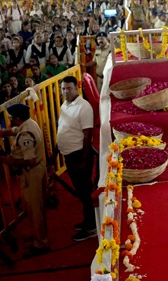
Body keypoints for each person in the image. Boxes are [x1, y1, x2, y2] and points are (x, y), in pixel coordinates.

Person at [0, 104, 49, 257]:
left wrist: (9, 160)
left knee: (35, 209)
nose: (10, 121)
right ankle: (39, 236)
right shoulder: (29, 124)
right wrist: (3, 133)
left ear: (17, 119)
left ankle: (41, 243)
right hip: (37, 171)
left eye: (11, 119)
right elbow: (15, 131)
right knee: (36, 207)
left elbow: (31, 160)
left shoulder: (25, 135)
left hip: (31, 173)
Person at [56, 75, 96, 242]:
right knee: (81, 191)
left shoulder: (84, 107)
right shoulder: (65, 104)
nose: (66, 91)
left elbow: (88, 134)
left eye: (69, 88)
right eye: (63, 89)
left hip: (79, 154)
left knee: (85, 192)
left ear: (77, 88)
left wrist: (84, 159)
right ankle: (87, 221)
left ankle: (91, 226)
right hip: (69, 154)